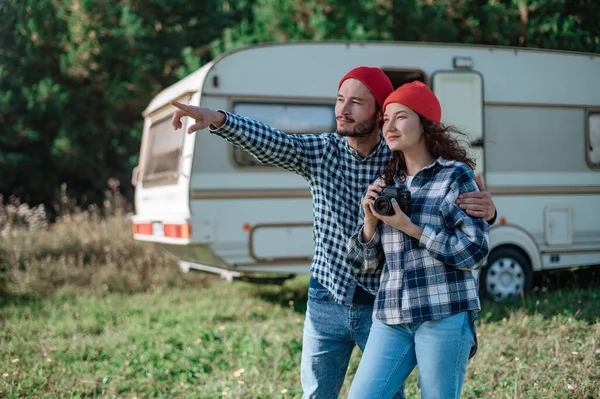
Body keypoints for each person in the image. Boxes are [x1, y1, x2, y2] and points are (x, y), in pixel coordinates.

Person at [169, 67, 496, 399]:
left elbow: (450, 208)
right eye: (340, 100)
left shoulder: (397, 159)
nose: (342, 109)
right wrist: (219, 119)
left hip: (384, 303)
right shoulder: (326, 152)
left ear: (378, 110)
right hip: (328, 295)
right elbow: (273, 142)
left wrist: (488, 212)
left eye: (356, 102)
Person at [347, 81, 490, 399]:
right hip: (391, 316)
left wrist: (411, 228)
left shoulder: (455, 176)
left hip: (443, 312)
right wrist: (370, 222)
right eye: (385, 119)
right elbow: (364, 270)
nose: (389, 126)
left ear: (425, 123)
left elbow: (475, 250)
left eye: (400, 116)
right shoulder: (386, 183)